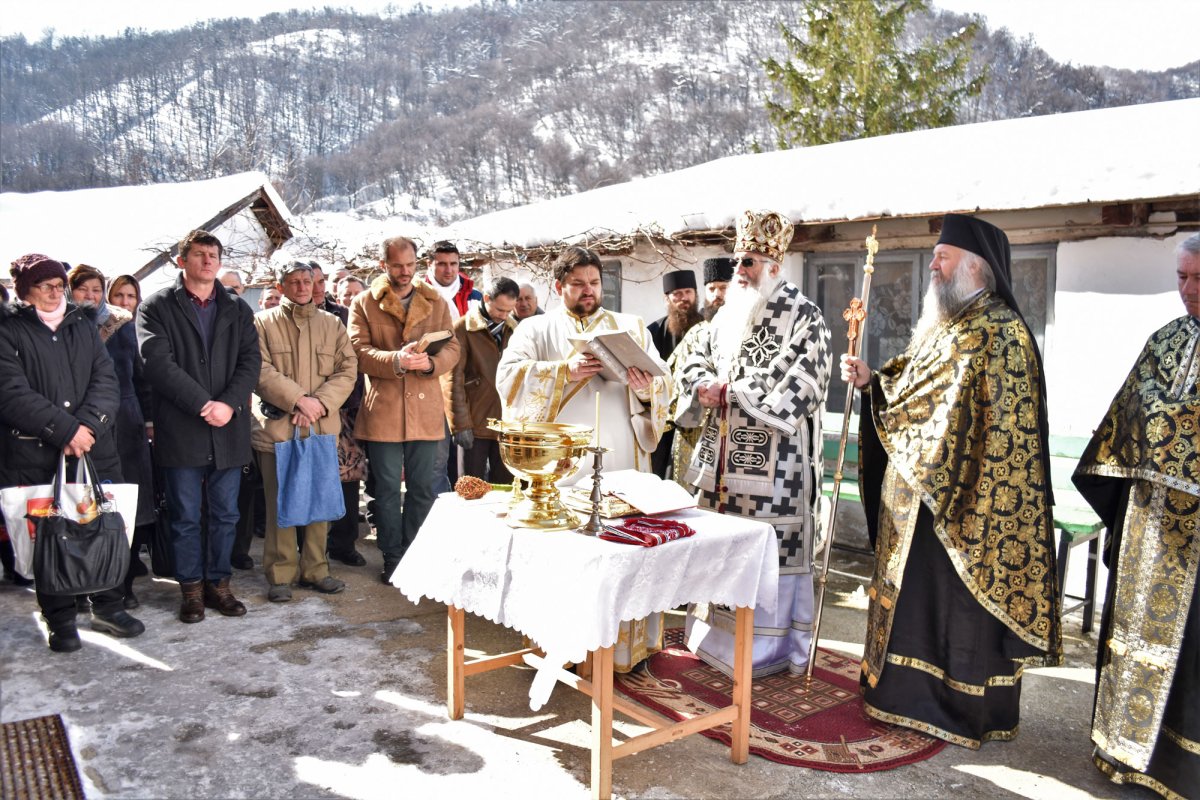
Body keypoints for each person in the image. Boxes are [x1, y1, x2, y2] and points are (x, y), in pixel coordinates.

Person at [841, 213, 1061, 748]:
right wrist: (875, 380)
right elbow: (915, 382)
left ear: (976, 267)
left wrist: (922, 444)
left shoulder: (1002, 334)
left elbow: (993, 432)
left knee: (953, 607)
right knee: (915, 600)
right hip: (921, 493)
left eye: (942, 256)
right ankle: (899, 693)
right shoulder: (951, 326)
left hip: (969, 506)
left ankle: (954, 705)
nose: (932, 265)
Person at [496, 246, 669, 673]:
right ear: (559, 287)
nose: (588, 291)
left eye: (594, 283)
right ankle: (561, 645)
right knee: (567, 553)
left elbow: (666, 385)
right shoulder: (535, 329)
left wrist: (647, 388)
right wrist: (562, 372)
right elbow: (507, 380)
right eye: (578, 284)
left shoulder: (630, 328)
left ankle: (623, 651)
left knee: (622, 548)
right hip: (562, 466)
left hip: (621, 458)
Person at [1072, 233, 1199, 799]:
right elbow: (1129, 412)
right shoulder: (1165, 339)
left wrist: (1165, 429)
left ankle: (1180, 766)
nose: (1189, 291)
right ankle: (1125, 748)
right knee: (1133, 632)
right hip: (1149, 526)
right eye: (1183, 278)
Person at [677, 211, 831, 678]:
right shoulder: (726, 313)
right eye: (738, 260)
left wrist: (736, 394)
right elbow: (695, 356)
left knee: (769, 549)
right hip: (721, 461)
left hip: (778, 469)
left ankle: (770, 650)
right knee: (719, 545)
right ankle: (712, 639)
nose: (740, 270)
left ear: (773, 265)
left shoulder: (804, 314)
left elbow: (807, 379)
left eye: (749, 262)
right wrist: (702, 384)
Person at [1, 254, 145, 650]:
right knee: (51, 536)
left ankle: (108, 605)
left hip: (93, 448)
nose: (52, 293)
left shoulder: (82, 325)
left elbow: (106, 380)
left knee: (102, 525)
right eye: (42, 287)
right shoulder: (9, 330)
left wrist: (87, 428)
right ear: (24, 292)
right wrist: (64, 430)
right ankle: (60, 618)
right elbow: (11, 392)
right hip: (36, 452)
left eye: (56, 286)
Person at [137, 229, 261, 623]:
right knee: (185, 515)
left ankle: (219, 584)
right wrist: (202, 403)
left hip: (228, 427)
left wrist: (226, 404)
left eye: (214, 255)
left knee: (226, 514)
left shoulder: (237, 308)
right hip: (182, 428)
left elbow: (250, 362)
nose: (208, 261)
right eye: (200, 254)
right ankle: (190, 589)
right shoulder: (157, 306)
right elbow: (156, 362)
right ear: (182, 261)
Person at [348, 236, 460, 583]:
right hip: (384, 409)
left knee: (424, 488)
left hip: (427, 411)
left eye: (410, 265)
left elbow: (453, 347)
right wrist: (397, 360)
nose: (405, 272)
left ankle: (415, 553)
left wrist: (429, 364)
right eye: (397, 266)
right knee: (384, 490)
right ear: (383, 265)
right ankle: (392, 557)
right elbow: (357, 351)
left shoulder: (434, 300)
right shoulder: (364, 302)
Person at [252, 261, 357, 602]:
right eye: (293, 282)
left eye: (307, 281)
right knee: (280, 502)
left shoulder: (332, 324)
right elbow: (259, 369)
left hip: (321, 428)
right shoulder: (262, 323)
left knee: (319, 501)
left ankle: (316, 569)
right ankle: (280, 573)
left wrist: (319, 404)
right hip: (280, 431)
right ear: (281, 286)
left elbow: (347, 369)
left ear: (316, 285)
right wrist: (298, 400)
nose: (301, 287)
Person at [71, 266, 155, 610]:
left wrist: (148, 420)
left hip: (125, 420)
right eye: (83, 290)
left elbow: (140, 376)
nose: (90, 296)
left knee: (124, 504)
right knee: (80, 506)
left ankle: (122, 581)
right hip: (80, 425)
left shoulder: (122, 324)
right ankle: (78, 581)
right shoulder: (65, 326)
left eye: (95, 289)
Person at [443, 276, 519, 483]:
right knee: (470, 486)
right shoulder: (461, 328)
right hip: (474, 422)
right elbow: (452, 379)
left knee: (506, 487)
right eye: (499, 310)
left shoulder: (514, 330)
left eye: (509, 311)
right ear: (486, 298)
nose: (504, 316)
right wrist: (460, 425)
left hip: (507, 424)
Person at [667, 256, 735, 487]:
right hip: (693, 430)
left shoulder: (747, 331)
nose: (717, 294)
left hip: (731, 429)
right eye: (712, 288)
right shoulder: (696, 332)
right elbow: (673, 377)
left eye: (724, 288)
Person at [421, 241, 480, 490]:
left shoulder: (474, 296)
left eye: (453, 264)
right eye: (442, 264)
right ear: (429, 264)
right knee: (435, 461)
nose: (448, 270)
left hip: (467, 387)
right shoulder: (418, 295)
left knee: (467, 460)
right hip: (430, 382)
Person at [647, 270, 703, 479]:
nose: (683, 298)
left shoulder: (707, 327)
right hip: (664, 417)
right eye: (676, 294)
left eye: (688, 292)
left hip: (698, 418)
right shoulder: (652, 331)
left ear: (695, 294)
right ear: (667, 299)